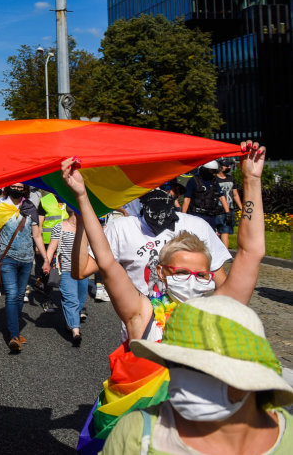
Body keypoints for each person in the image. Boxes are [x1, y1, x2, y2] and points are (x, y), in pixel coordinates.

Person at [63, 141, 266, 450]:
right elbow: (105, 260)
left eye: (201, 275)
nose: (193, 281)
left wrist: (251, 180)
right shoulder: (142, 315)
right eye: (181, 272)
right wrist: (82, 198)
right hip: (145, 435)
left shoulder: (219, 311)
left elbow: (251, 253)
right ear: (162, 272)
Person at [103, 295, 293, 455]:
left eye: (202, 368)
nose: (182, 380)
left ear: (252, 377)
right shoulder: (137, 434)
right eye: (174, 364)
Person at [76, 183, 232, 299]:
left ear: (175, 191)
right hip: (143, 331)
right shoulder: (122, 228)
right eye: (151, 186)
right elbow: (81, 271)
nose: (157, 192)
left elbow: (223, 286)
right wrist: (81, 221)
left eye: (164, 187)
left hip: (190, 332)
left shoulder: (197, 226)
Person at [0, 182, 48, 352]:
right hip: (8, 259)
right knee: (12, 295)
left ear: (25, 189)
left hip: (27, 260)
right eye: (14, 186)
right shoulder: (1, 207)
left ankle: (15, 331)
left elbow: (37, 235)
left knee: (20, 296)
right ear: (7, 187)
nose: (17, 190)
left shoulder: (30, 207)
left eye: (21, 187)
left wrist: (46, 258)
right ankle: (13, 335)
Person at [44, 204, 86, 345]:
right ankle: (76, 331)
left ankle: (70, 322)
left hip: (83, 271)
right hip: (65, 270)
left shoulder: (86, 228)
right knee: (71, 300)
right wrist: (46, 262)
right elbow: (52, 247)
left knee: (80, 300)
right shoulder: (59, 227)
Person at [182, 160, 229, 231]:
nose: (212, 173)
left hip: (211, 215)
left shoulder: (214, 181)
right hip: (196, 215)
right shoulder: (194, 181)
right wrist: (184, 215)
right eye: (211, 171)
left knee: (210, 237)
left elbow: (221, 196)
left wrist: (227, 213)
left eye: (214, 171)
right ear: (204, 170)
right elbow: (187, 199)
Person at [215, 161, 242, 248]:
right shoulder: (215, 179)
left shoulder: (231, 178)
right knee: (224, 230)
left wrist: (241, 208)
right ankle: (225, 253)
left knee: (225, 230)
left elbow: (235, 194)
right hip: (219, 208)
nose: (228, 167)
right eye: (226, 166)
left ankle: (221, 249)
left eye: (229, 166)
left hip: (230, 208)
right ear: (220, 167)